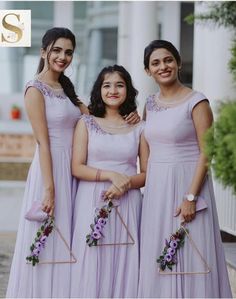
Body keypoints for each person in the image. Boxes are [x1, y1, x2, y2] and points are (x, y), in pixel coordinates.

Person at [138, 40, 232, 298]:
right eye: (155, 63)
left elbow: (207, 152)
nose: (163, 66)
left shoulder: (197, 102)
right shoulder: (149, 104)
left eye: (168, 60)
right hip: (157, 190)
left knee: (192, 254)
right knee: (159, 253)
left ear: (178, 63)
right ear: (148, 70)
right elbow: (145, 142)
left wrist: (191, 197)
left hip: (188, 186)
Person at [70, 65, 149, 298]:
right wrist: (110, 175)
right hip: (91, 199)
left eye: (119, 85)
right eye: (107, 85)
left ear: (128, 90)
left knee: (125, 261)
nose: (113, 90)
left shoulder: (140, 126)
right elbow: (77, 167)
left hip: (128, 203)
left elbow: (146, 173)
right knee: (91, 260)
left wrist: (124, 184)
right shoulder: (86, 123)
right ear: (99, 90)